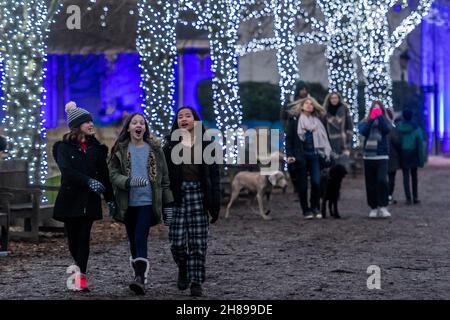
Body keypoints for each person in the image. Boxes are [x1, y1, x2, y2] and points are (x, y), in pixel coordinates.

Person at [108, 112, 174, 295]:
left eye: (142, 123)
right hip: (127, 203)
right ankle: (140, 273)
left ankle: (139, 279)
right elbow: (112, 175)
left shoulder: (155, 149)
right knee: (133, 240)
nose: (139, 125)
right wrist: (128, 181)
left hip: (147, 202)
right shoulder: (120, 149)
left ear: (145, 128)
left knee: (140, 236)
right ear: (128, 128)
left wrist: (168, 205)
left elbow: (165, 180)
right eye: (134, 122)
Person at [52, 101, 115, 292]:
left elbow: (104, 175)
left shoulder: (97, 149)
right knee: (73, 240)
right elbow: (67, 171)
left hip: (89, 201)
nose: (91, 124)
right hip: (70, 200)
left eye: (91, 121)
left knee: (84, 238)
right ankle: (78, 267)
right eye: (87, 122)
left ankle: (81, 277)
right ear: (77, 125)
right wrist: (87, 181)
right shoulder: (63, 148)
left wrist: (111, 199)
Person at [163, 106, 220, 297]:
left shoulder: (207, 143)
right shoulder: (170, 145)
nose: (184, 119)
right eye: (180, 117)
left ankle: (196, 281)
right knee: (177, 241)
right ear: (177, 122)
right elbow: (164, 177)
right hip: (178, 196)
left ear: (195, 120)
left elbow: (214, 175)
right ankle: (183, 267)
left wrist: (215, 204)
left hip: (199, 196)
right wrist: (165, 201)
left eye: (188, 115)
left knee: (198, 242)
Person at [286, 97, 332, 219]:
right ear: (301, 106)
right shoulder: (295, 121)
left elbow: (325, 137)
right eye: (306, 103)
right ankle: (306, 210)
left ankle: (315, 207)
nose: (309, 105)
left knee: (316, 183)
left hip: (315, 156)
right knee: (303, 185)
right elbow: (289, 139)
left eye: (311, 104)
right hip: (301, 156)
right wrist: (290, 155)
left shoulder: (317, 122)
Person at [358, 101, 392, 218]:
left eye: (378, 109)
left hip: (381, 155)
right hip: (368, 156)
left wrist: (380, 117)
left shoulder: (386, 120)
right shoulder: (365, 121)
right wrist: (372, 118)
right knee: (370, 183)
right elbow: (363, 131)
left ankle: (383, 206)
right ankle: (373, 207)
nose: (376, 111)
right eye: (374, 109)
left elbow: (386, 130)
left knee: (382, 180)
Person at [281, 81, 311, 193]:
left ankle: (303, 186)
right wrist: (286, 128)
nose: (304, 91)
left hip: (306, 135)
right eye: (302, 89)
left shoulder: (309, 102)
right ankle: (296, 187)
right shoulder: (290, 102)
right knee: (292, 162)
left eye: (305, 89)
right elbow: (283, 116)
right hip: (292, 134)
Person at [397, 109, 424, 205]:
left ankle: (408, 198)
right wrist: (421, 160)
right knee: (414, 176)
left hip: (403, 153)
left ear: (403, 117)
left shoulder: (399, 128)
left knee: (405, 176)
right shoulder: (416, 128)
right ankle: (415, 197)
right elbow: (420, 145)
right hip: (414, 153)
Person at [323, 91, 354, 163]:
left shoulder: (344, 109)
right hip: (330, 142)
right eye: (332, 98)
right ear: (329, 100)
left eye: (336, 98)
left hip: (343, 142)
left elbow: (350, 125)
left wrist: (348, 139)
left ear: (339, 99)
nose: (334, 100)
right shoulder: (325, 112)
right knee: (332, 168)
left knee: (343, 167)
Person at [386, 109, 401, 205]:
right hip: (392, 156)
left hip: (386, 156)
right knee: (391, 178)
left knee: (384, 178)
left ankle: (385, 195)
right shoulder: (392, 129)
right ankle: (389, 196)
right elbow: (397, 142)